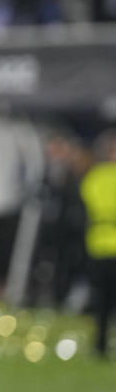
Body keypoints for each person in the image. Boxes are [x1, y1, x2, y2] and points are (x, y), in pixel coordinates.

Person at [80, 130, 116, 358]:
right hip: (106, 245)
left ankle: (100, 346)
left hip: (97, 245)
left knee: (101, 302)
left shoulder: (92, 177)